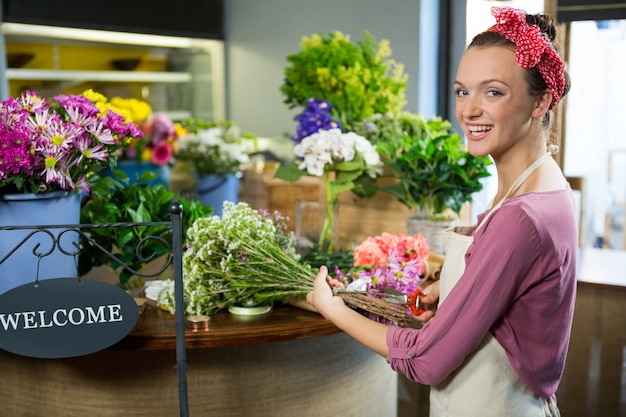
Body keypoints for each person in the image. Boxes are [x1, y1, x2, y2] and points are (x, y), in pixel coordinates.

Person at [305, 6, 576, 417]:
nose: (468, 110)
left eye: (494, 92)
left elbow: (425, 360)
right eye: (462, 91)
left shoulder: (522, 218)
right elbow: (518, 298)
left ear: (540, 102)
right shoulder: (548, 189)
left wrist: (332, 309)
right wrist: (452, 289)